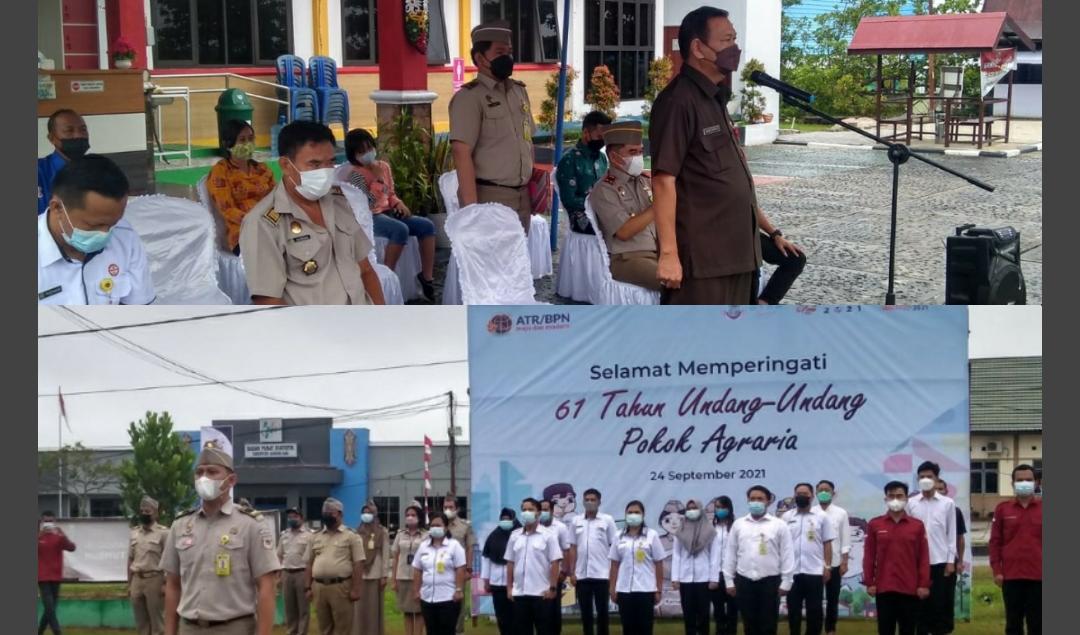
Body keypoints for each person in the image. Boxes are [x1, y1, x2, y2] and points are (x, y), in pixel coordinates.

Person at [650, 8, 800, 304]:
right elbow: (664, 180)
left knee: (733, 346)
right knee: (698, 346)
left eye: (735, 39)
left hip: (740, 256)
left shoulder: (714, 99)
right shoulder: (679, 101)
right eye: (727, 39)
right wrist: (668, 255)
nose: (735, 48)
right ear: (698, 48)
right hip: (705, 263)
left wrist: (770, 232)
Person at [239, 120, 384, 305]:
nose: (325, 172)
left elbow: (366, 271)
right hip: (312, 329)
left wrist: (382, 318)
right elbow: (268, 300)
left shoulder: (338, 201)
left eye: (330, 163)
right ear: (286, 165)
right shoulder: (263, 223)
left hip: (362, 322)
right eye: (314, 165)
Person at [160, 442, 280, 635]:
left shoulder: (251, 525)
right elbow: (173, 585)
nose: (204, 478)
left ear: (231, 480)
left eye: (212, 472)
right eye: (199, 473)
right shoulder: (181, 525)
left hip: (233, 627)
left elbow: (266, 586)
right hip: (188, 628)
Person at [449, 20, 536, 234]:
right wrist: (472, 211)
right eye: (499, 52)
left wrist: (536, 185)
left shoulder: (519, 91)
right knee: (492, 264)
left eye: (509, 52)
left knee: (517, 262)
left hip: (522, 196)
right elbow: (461, 153)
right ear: (480, 58)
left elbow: (527, 140)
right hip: (490, 197)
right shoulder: (469, 97)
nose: (507, 57)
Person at [38, 155, 155, 305]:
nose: (105, 234)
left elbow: (140, 312)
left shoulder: (125, 237)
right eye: (94, 225)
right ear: (57, 208)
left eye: (113, 223)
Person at [343, 128, 437, 301]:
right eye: (361, 152)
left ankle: (427, 277)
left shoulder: (383, 166)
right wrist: (376, 180)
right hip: (371, 216)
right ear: (353, 155)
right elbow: (366, 203)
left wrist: (398, 203)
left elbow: (390, 192)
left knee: (426, 226)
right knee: (399, 230)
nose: (367, 154)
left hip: (388, 210)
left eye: (369, 148)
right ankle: (387, 274)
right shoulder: (355, 174)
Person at [589, 120, 661, 292]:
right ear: (614, 157)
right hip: (628, 259)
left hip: (660, 251)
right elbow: (624, 231)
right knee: (674, 282)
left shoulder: (645, 180)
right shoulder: (604, 189)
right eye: (632, 152)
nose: (638, 157)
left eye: (641, 152)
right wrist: (659, 205)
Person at [723, 485, 795, 635]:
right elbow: (730, 553)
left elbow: (787, 554)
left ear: (768, 501)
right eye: (752, 499)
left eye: (760, 499)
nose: (756, 502)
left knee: (768, 625)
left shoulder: (779, 525)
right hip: (744, 581)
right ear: (747, 501)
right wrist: (729, 580)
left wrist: (787, 581)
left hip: (770, 582)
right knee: (749, 624)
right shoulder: (739, 524)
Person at [864, 481, 931, 635]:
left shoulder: (917, 526)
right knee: (885, 629)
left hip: (910, 588)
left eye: (899, 496)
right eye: (891, 496)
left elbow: (923, 558)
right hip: (884, 587)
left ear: (907, 499)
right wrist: (869, 582)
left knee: (908, 629)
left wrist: (923, 584)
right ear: (885, 499)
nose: (895, 499)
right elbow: (869, 556)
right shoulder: (875, 524)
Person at [206, 119, 276, 254]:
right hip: (242, 234)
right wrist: (257, 222)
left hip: (272, 227)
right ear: (228, 144)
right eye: (242, 140)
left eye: (250, 139)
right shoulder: (221, 171)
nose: (248, 144)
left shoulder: (262, 169)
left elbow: (277, 199)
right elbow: (228, 209)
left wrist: (273, 221)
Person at [989, 464, 1042, 635]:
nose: (1024, 483)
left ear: (1036, 482)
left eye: (1028, 480)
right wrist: (997, 570)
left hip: (1039, 577)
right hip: (1011, 577)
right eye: (1019, 480)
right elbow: (995, 542)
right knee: (1013, 624)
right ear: (1012, 484)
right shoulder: (1003, 509)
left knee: (1038, 624)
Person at [906, 461, 957, 635]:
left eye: (929, 477)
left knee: (939, 604)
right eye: (922, 477)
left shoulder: (948, 503)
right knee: (919, 605)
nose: (925, 480)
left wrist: (951, 561)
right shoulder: (911, 503)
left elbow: (952, 535)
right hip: (916, 562)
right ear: (917, 479)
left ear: (936, 479)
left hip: (940, 561)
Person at [305, 498, 365, 635]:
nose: (327, 515)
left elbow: (358, 563)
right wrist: (307, 587)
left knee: (342, 627)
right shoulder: (315, 536)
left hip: (341, 587)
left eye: (331, 512)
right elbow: (308, 563)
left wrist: (356, 589)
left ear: (340, 514)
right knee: (324, 628)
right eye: (325, 512)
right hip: (319, 588)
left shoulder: (351, 536)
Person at [781, 483, 835, 635]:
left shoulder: (822, 517)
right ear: (794, 495)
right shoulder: (786, 517)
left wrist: (827, 567)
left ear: (811, 496)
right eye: (798, 493)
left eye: (805, 493)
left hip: (815, 571)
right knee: (793, 611)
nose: (801, 496)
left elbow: (827, 543)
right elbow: (782, 545)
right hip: (792, 572)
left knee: (814, 611)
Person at [505, 497, 562, 634]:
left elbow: (555, 562)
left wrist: (553, 588)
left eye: (530, 509)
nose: (527, 512)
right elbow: (510, 563)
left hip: (541, 594)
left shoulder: (548, 535)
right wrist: (509, 588)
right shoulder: (514, 536)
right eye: (524, 510)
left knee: (545, 630)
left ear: (538, 513)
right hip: (520, 594)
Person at [608, 500, 665, 635]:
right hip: (624, 590)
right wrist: (612, 589)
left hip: (645, 590)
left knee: (645, 628)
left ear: (643, 515)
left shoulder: (652, 535)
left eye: (636, 512)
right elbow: (614, 564)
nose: (633, 515)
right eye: (630, 512)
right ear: (626, 515)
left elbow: (659, 564)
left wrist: (658, 589)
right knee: (628, 628)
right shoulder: (618, 536)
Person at [570, 488, 619, 635]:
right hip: (582, 575)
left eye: (593, 500)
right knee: (585, 613)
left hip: (602, 574)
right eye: (587, 500)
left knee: (603, 612)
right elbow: (572, 547)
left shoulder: (607, 520)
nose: (590, 502)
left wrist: (612, 574)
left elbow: (614, 546)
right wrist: (572, 572)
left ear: (599, 502)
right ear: (583, 502)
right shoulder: (576, 521)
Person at [555, 111, 612, 235]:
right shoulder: (569, 160)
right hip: (580, 215)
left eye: (605, 138)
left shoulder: (602, 158)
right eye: (599, 137)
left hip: (602, 210)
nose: (602, 141)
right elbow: (569, 200)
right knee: (614, 227)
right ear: (586, 133)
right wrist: (596, 203)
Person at [412, 511, 467, 635]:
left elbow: (460, 568)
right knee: (431, 631)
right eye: (432, 525)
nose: (435, 528)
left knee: (446, 631)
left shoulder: (454, 546)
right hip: (427, 598)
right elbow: (417, 569)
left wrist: (459, 589)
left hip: (448, 598)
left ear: (446, 527)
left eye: (438, 525)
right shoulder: (423, 546)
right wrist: (416, 591)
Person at [670, 499, 715, 635]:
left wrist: (713, 578)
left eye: (694, 508)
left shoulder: (710, 531)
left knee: (703, 615)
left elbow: (714, 556)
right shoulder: (680, 531)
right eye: (689, 509)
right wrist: (675, 578)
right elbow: (676, 555)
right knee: (688, 615)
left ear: (700, 510)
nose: (691, 511)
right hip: (685, 579)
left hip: (704, 579)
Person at [813, 480, 852, 635]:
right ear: (815, 493)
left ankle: (830, 629)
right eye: (820, 490)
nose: (823, 492)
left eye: (827, 490)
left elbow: (845, 539)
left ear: (833, 493)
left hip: (835, 563)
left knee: (832, 599)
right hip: (814, 564)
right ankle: (815, 628)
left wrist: (845, 561)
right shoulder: (811, 512)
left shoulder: (840, 513)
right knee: (815, 601)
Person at [128, 496, 169, 635]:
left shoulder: (164, 533)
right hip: (137, 580)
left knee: (157, 622)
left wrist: (165, 584)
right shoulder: (134, 533)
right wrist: (129, 584)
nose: (144, 513)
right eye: (142, 511)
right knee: (141, 623)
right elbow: (130, 559)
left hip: (155, 580)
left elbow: (170, 560)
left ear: (156, 513)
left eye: (148, 511)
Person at [39, 109, 90, 214]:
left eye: (83, 130)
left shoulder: (99, 171)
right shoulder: (39, 172)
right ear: (52, 138)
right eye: (69, 131)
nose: (78, 135)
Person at [482, 508, 521, 635]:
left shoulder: (520, 535)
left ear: (514, 519)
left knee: (517, 617)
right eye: (503, 519)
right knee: (502, 616)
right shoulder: (493, 536)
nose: (505, 521)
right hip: (497, 584)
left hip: (517, 585)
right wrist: (486, 580)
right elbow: (486, 558)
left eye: (508, 519)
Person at [442, 494, 477, 635]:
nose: (448, 510)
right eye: (445, 507)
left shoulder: (465, 526)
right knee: (441, 603)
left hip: (459, 572)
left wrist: (469, 568)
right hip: (440, 571)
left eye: (451, 507)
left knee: (458, 604)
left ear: (457, 508)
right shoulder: (438, 525)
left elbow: (469, 548)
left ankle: (458, 631)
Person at [540, 498, 576, 634]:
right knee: (541, 610)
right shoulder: (535, 527)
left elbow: (566, 550)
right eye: (541, 509)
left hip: (556, 576)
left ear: (551, 510)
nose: (543, 512)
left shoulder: (560, 527)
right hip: (539, 576)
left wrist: (564, 572)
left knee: (553, 610)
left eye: (546, 509)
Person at [354, 501, 390, 635]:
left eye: (369, 512)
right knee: (359, 609)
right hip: (360, 576)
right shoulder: (356, 532)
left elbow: (386, 553)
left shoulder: (382, 531)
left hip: (376, 575)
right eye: (364, 512)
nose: (366, 515)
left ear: (375, 514)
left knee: (374, 609)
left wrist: (384, 575)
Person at [934, 478, 965, 634]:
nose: (939, 491)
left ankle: (945, 629)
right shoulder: (920, 508)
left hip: (949, 561)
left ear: (946, 491)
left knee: (946, 597)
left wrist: (958, 560)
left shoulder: (954, 510)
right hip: (929, 561)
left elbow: (960, 538)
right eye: (936, 489)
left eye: (941, 489)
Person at [391, 504, 428, 635]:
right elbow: (395, 557)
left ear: (419, 517)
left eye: (413, 515)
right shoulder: (400, 534)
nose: (410, 517)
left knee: (419, 611)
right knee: (406, 611)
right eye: (407, 515)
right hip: (403, 577)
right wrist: (394, 580)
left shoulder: (426, 535)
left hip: (420, 578)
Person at [38, 511, 76, 635]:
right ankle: (57, 632)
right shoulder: (39, 536)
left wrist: (62, 533)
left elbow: (72, 547)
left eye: (50, 521)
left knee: (51, 609)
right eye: (46, 521)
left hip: (56, 576)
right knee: (49, 607)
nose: (48, 523)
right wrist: (40, 535)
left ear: (54, 522)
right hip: (42, 577)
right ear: (42, 522)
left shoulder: (59, 537)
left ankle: (39, 631)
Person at [278, 508, 314, 635]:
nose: (292, 519)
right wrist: (279, 575)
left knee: (303, 609)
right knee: (290, 609)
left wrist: (310, 580)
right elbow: (279, 555)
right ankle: (291, 632)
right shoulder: (284, 535)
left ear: (301, 518)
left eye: (295, 516)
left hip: (302, 574)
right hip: (287, 574)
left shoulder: (309, 535)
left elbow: (312, 558)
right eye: (290, 517)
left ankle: (302, 633)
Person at [708, 496, 738, 635]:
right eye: (717, 507)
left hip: (732, 574)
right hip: (716, 575)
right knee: (718, 612)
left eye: (722, 507)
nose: (719, 510)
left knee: (733, 611)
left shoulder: (736, 527)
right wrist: (711, 577)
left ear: (729, 508)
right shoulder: (711, 528)